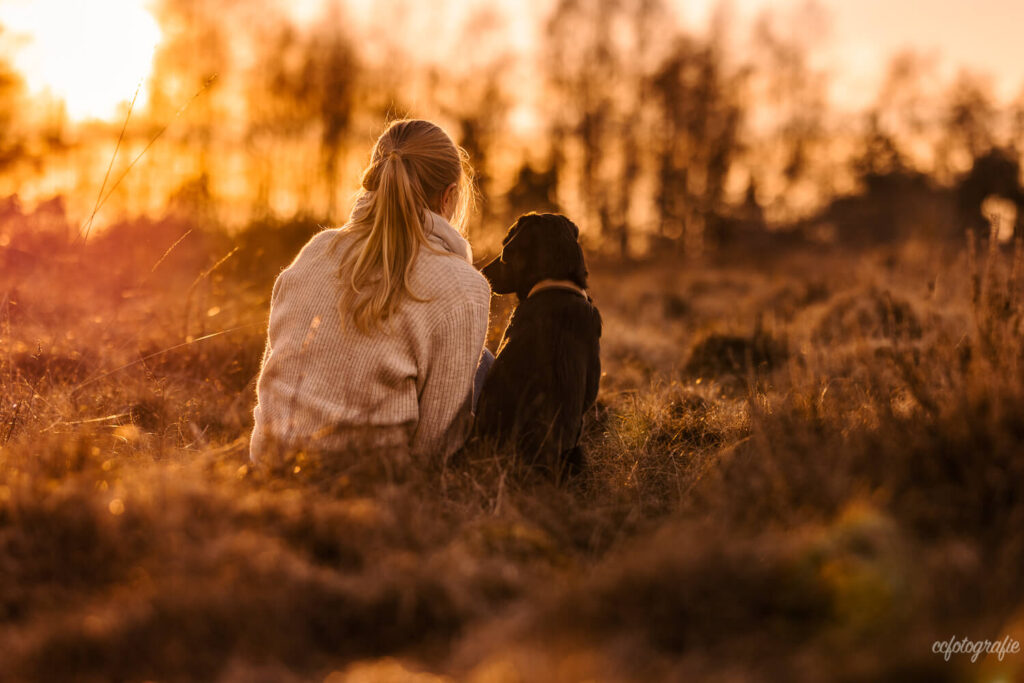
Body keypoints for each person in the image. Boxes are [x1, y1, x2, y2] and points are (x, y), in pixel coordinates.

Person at [249, 119, 492, 466]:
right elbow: (434, 448)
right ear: (449, 195)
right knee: (485, 365)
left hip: (270, 467)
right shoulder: (463, 287)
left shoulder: (317, 249)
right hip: (372, 486)